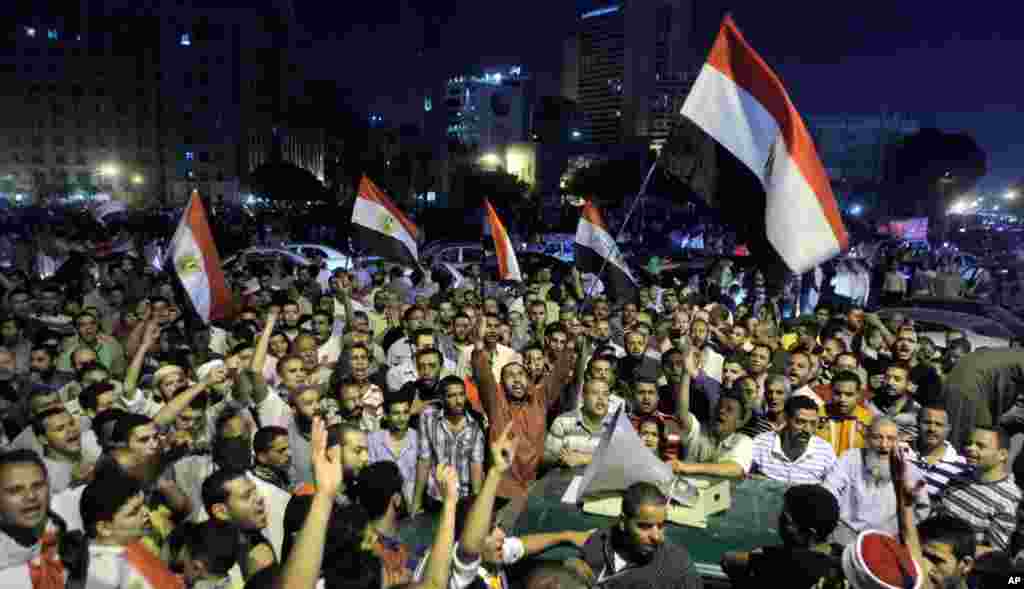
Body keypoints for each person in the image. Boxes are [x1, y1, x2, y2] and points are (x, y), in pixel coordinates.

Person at [275, 417, 460, 589]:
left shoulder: (352, 502)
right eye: (357, 451)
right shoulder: (307, 502)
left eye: (366, 451)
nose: (365, 459)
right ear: (332, 452)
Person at [565, 481, 701, 589]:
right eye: (645, 526)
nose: (657, 537)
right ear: (623, 522)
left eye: (661, 526)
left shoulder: (677, 567)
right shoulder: (599, 542)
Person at [824, 417, 930, 545]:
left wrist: (901, 532)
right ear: (867, 438)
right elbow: (829, 490)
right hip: (844, 535)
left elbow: (922, 509)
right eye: (877, 438)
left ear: (897, 441)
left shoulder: (910, 470)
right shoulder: (850, 458)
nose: (884, 445)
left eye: (890, 439)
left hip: (887, 541)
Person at [720, 484, 842, 588]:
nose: (779, 520)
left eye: (786, 519)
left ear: (809, 534)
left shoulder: (782, 561)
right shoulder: (840, 556)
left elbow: (729, 559)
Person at [79, 471, 185, 588]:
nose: (146, 513)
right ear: (104, 528)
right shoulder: (101, 574)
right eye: (134, 512)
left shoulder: (128, 544)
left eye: (143, 505)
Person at [933, 426, 1022, 553]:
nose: (970, 448)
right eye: (969, 443)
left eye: (980, 446)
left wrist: (945, 548)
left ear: (1002, 455)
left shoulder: (1009, 499)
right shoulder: (958, 478)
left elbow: (993, 553)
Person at [750, 395, 837, 483]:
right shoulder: (761, 443)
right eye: (800, 422)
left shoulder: (825, 450)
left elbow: (833, 487)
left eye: (813, 423)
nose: (807, 429)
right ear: (785, 418)